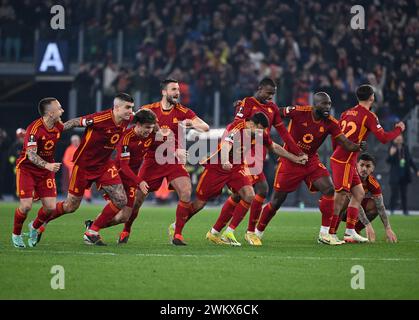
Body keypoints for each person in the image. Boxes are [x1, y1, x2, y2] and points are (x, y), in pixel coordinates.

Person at [255, 92, 365, 246]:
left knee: (329, 189)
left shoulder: (331, 123)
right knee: (276, 201)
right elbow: (275, 112)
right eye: (324, 104)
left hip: (310, 160)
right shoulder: (299, 111)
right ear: (315, 104)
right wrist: (255, 114)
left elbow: (344, 143)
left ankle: (324, 234)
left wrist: (357, 146)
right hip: (290, 160)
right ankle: (257, 233)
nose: (327, 107)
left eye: (329, 104)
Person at [30, 93, 135, 246]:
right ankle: (39, 222)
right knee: (70, 206)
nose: (131, 111)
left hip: (104, 165)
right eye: (127, 108)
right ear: (117, 108)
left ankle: (92, 231)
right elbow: (75, 122)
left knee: (120, 200)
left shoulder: (128, 119)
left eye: (132, 108)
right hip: (84, 166)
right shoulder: (100, 118)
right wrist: (57, 128)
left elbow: (146, 115)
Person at [188, 113, 307, 246]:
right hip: (219, 167)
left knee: (249, 194)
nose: (261, 132)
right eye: (260, 129)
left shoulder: (260, 132)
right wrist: (226, 160)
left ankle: (225, 232)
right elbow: (226, 144)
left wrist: (295, 158)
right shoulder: (238, 127)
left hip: (237, 167)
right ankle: (178, 226)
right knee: (200, 203)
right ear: (251, 124)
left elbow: (274, 147)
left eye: (263, 130)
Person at [215, 78, 304, 245]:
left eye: (273, 94)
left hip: (261, 154)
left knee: (239, 195)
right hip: (246, 153)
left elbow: (283, 132)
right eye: (268, 93)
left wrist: (298, 152)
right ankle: (247, 232)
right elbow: (237, 124)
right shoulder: (248, 102)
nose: (271, 97)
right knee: (261, 189)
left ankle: (216, 231)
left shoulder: (273, 108)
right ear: (260, 88)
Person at [329, 84, 405, 243]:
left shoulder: (345, 113)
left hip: (346, 158)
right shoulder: (369, 116)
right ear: (372, 97)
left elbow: (335, 136)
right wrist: (398, 129)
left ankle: (350, 232)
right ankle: (329, 233)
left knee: (358, 193)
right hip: (344, 160)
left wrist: (336, 151)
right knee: (341, 197)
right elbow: (384, 138)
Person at [138, 79, 209, 246]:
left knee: (186, 191)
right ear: (164, 92)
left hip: (173, 160)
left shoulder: (183, 111)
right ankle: (126, 229)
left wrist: (192, 123)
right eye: (173, 89)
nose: (177, 92)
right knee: (136, 201)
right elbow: (135, 122)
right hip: (152, 160)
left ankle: (177, 234)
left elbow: (205, 127)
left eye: (178, 89)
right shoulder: (149, 110)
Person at [11, 98, 87, 248]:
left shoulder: (56, 125)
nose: (62, 110)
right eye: (59, 108)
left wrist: (87, 121)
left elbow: (67, 125)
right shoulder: (34, 130)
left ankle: (34, 227)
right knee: (26, 206)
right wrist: (48, 165)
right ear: (51, 113)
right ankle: (16, 234)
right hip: (27, 169)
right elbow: (31, 155)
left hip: (46, 170)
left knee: (50, 207)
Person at [84, 109, 157, 244]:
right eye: (147, 127)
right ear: (138, 124)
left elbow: (161, 131)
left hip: (130, 178)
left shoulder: (151, 135)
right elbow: (124, 166)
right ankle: (92, 232)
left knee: (124, 216)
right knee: (117, 203)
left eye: (151, 128)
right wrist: (139, 181)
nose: (149, 130)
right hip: (116, 175)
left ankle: (93, 225)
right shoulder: (126, 138)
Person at [332, 153, 397, 243]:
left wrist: (388, 228)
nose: (364, 169)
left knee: (375, 206)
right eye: (361, 165)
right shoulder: (350, 177)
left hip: (351, 210)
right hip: (333, 206)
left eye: (368, 166)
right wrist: (367, 225)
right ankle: (331, 232)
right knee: (345, 199)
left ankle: (355, 231)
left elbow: (381, 207)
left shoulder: (373, 183)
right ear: (356, 165)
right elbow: (354, 203)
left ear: (372, 169)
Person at [386, 134, 419, 215]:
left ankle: (405, 210)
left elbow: (410, 160)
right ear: (394, 139)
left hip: (404, 174)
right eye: (397, 138)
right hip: (395, 176)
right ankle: (391, 209)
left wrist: (416, 170)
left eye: (400, 138)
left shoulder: (405, 148)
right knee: (394, 194)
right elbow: (388, 161)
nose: (399, 139)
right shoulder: (392, 147)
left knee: (404, 194)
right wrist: (391, 154)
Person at [62, 135, 92, 202]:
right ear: (72, 142)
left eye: (77, 141)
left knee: (86, 183)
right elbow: (65, 160)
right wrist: (72, 166)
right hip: (73, 171)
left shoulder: (82, 148)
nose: (75, 142)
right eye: (74, 141)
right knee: (74, 185)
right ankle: (73, 197)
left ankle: (88, 197)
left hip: (83, 169)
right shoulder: (69, 149)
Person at [7, 128, 25, 199]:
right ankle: (16, 196)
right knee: (16, 182)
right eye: (21, 137)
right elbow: (10, 156)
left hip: (26, 168)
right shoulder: (14, 146)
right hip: (17, 167)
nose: (22, 139)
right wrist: (15, 163)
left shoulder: (26, 146)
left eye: (23, 137)